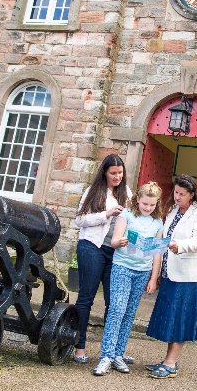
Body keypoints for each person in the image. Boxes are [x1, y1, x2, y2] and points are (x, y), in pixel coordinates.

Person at [92, 182, 163, 376]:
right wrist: (121, 241)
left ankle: (118, 354)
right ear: (137, 199)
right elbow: (114, 240)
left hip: (142, 271)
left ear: (157, 204)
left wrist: (153, 278)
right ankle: (106, 356)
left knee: (129, 313)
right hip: (122, 267)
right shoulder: (126, 216)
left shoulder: (158, 223)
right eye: (144, 204)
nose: (148, 208)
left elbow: (157, 253)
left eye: (152, 205)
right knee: (116, 309)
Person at [145, 174, 197, 379]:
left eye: (182, 194)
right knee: (171, 319)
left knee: (181, 320)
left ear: (192, 195)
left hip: (189, 277)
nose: (177, 197)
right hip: (170, 273)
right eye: (175, 192)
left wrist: (178, 246)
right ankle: (167, 360)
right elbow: (165, 238)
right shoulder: (173, 210)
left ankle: (171, 364)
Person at [73, 154, 132, 364]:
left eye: (120, 173)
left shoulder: (127, 194)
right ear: (105, 173)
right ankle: (79, 347)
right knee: (86, 297)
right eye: (113, 173)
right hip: (92, 247)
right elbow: (79, 220)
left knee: (113, 302)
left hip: (115, 252)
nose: (117, 177)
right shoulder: (93, 191)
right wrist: (105, 214)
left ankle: (110, 351)